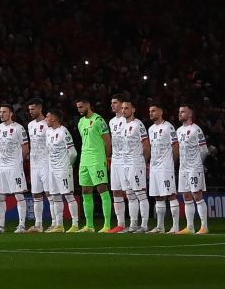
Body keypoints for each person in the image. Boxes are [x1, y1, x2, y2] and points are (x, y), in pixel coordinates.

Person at [74, 97, 113, 233]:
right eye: (78, 107)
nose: (79, 110)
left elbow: (108, 141)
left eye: (81, 107)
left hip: (97, 160)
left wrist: (107, 157)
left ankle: (107, 225)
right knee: (85, 191)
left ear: (88, 105)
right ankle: (89, 226)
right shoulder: (80, 122)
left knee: (102, 189)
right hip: (84, 160)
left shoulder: (98, 120)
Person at [108, 97, 146, 233]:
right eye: (112, 103)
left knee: (136, 192)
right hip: (117, 160)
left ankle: (139, 224)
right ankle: (121, 224)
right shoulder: (112, 122)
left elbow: (144, 143)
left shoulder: (130, 122)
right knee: (117, 191)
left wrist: (144, 161)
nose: (113, 105)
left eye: (115, 103)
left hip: (132, 161)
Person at [41, 110, 82, 231]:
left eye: (47, 117)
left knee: (69, 196)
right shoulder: (48, 132)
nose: (45, 119)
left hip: (63, 169)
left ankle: (75, 224)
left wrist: (68, 166)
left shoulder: (64, 132)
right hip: (52, 169)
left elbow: (73, 153)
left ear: (54, 119)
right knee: (55, 197)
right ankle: (59, 225)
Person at [0, 104, 30, 233]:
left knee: (18, 194)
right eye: (0, 112)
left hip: (14, 166)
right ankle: (1, 226)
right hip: (1, 167)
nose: (1, 114)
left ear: (11, 113)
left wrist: (19, 161)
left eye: (4, 112)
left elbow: (25, 147)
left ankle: (21, 225)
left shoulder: (18, 128)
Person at [174, 104, 211, 235]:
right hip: (183, 168)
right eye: (179, 112)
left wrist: (198, 164)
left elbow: (204, 150)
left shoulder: (196, 129)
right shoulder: (178, 131)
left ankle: (204, 226)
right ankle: (190, 227)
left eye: (183, 112)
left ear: (190, 114)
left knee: (197, 195)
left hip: (194, 167)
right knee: (186, 196)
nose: (180, 114)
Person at [144, 102, 178, 234]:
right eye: (150, 111)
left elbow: (175, 146)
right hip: (154, 167)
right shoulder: (151, 129)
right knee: (157, 196)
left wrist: (172, 162)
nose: (151, 113)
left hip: (166, 167)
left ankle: (175, 226)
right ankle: (160, 226)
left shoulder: (168, 127)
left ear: (160, 112)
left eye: (153, 111)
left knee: (170, 195)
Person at [23, 100, 50, 231]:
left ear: (40, 108)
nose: (31, 112)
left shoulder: (48, 123)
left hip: (46, 162)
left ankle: (57, 223)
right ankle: (38, 224)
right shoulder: (30, 125)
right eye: (29, 109)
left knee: (49, 193)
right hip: (34, 164)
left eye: (33, 109)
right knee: (36, 194)